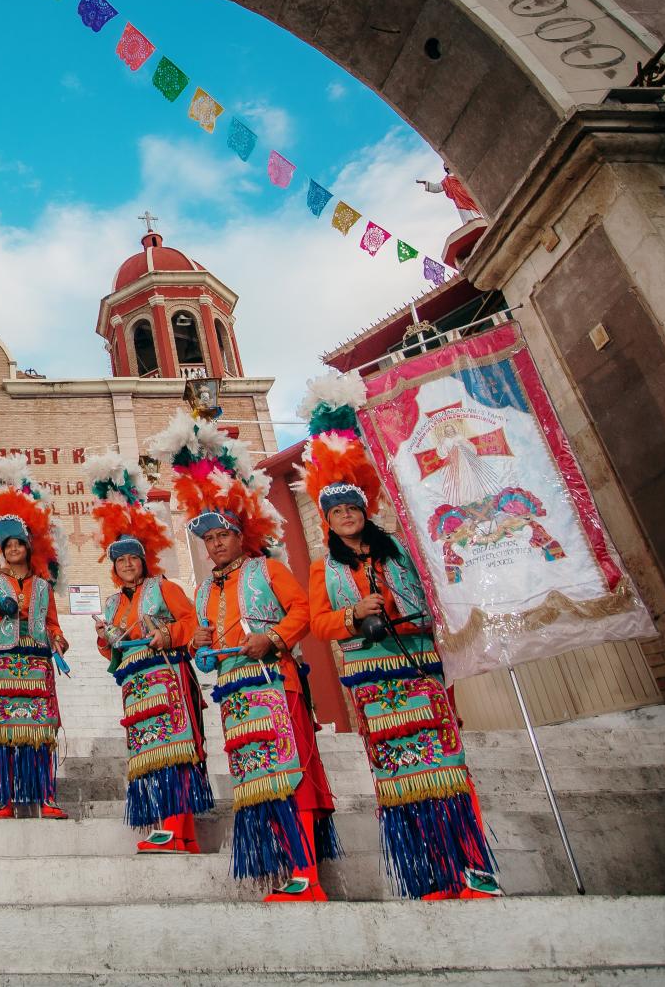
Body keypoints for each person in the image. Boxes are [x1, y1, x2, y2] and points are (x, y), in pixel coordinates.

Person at [297, 372, 500, 900]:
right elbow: (319, 624)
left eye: (351, 509)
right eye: (335, 511)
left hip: (420, 666)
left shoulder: (401, 551)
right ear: (326, 519)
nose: (345, 516)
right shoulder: (324, 569)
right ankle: (427, 874)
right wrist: (351, 615)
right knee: (399, 778)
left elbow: (438, 587)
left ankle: (473, 868)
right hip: (370, 678)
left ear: (364, 512)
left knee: (448, 767)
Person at [146, 409, 338, 901]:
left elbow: (302, 611)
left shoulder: (268, 569)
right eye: (208, 539)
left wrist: (272, 640)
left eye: (222, 536)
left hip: (277, 684)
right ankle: (283, 868)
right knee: (258, 780)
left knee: (290, 773)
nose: (214, 545)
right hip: (235, 694)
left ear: (240, 536)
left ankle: (307, 873)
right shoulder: (207, 590)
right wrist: (201, 647)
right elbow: (203, 644)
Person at [85, 451, 212, 855]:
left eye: (131, 559)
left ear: (143, 561)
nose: (126, 565)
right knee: (152, 755)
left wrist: (166, 637)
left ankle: (176, 828)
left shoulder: (164, 587)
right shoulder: (110, 605)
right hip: (137, 688)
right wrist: (105, 639)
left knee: (175, 752)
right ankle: (180, 833)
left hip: (169, 677)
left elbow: (191, 623)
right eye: (119, 560)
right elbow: (112, 652)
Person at [0, 454, 69, 820]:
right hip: (0, 664)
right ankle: (4, 799)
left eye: (18, 544)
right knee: (1, 735)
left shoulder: (43, 585)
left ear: (29, 547)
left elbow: (54, 624)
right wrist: (0, 608)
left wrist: (57, 639)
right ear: (2, 550)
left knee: (41, 732)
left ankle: (46, 796)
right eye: (7, 546)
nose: (13, 550)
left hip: (36, 662)